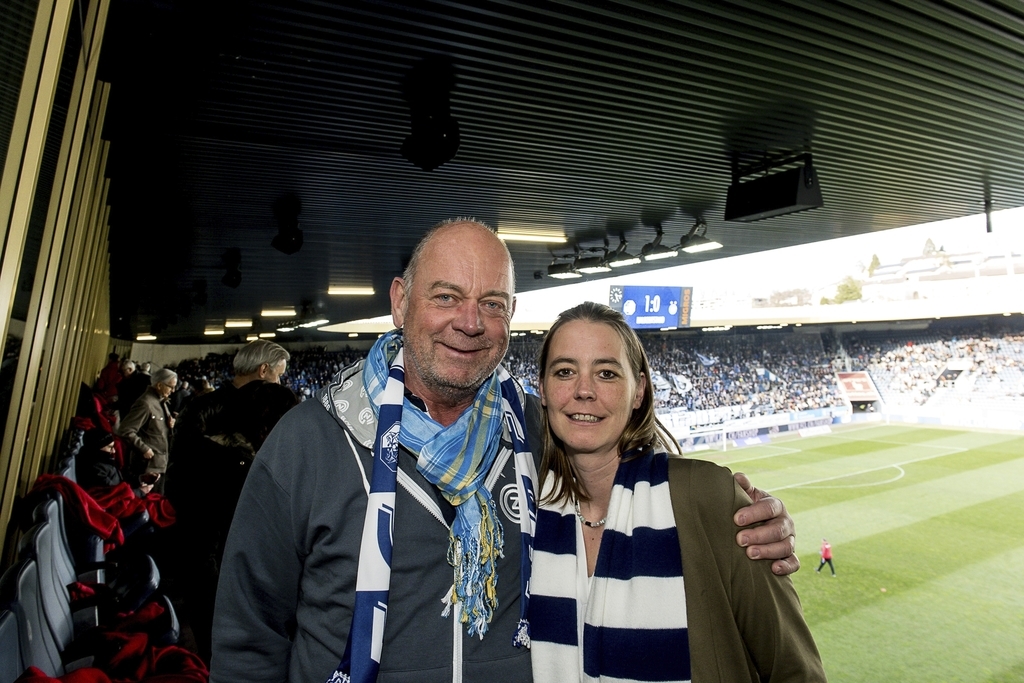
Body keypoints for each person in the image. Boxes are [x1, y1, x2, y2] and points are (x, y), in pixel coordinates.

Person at [210, 219, 798, 683]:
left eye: (493, 303)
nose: (470, 322)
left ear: (511, 317)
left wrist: (743, 521)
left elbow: (636, 487)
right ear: (399, 301)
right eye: (446, 296)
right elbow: (249, 635)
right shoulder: (311, 440)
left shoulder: (541, 433)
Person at [529, 302, 825, 682]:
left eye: (606, 373)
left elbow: (793, 670)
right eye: (565, 371)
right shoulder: (527, 507)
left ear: (638, 391)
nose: (583, 390)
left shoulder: (706, 497)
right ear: (542, 389)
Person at [118, 367, 177, 494]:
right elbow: (125, 430)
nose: (173, 391)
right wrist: (144, 448)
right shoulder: (145, 403)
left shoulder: (161, 401)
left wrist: (171, 425)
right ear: (159, 385)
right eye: (170, 387)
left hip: (159, 463)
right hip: (148, 466)